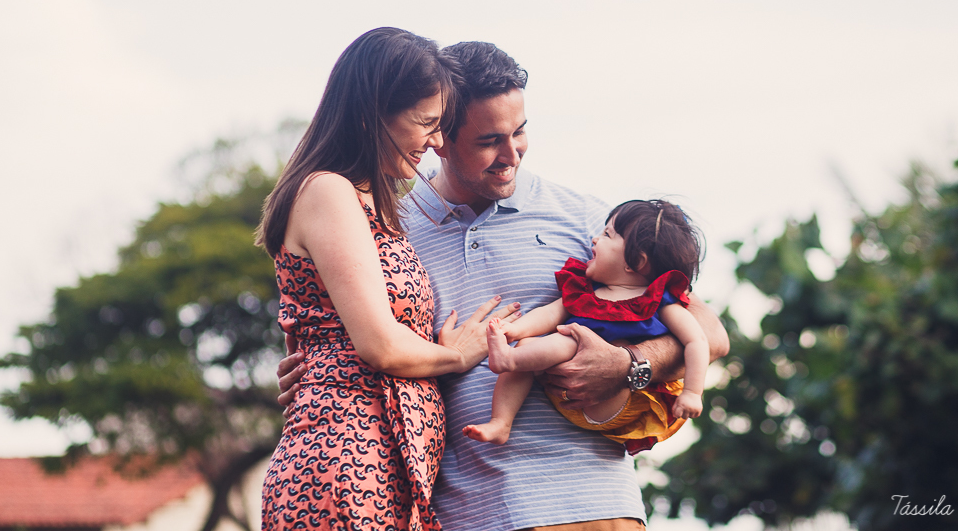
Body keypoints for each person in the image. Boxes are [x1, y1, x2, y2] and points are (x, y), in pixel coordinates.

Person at [278, 41, 730, 531]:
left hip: (590, 507)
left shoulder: (592, 223)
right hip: (459, 515)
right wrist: (324, 362)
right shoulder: (387, 226)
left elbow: (712, 334)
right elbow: (363, 333)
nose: (511, 153)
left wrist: (627, 366)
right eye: (489, 139)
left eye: (520, 131)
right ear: (440, 136)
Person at [256, 28, 517, 531]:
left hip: (385, 462)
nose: (437, 141)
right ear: (370, 114)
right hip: (348, 460)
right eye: (426, 123)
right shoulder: (330, 192)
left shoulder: (373, 204)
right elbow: (379, 345)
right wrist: (457, 355)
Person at [463, 199, 707, 456]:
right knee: (529, 345)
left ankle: (508, 359)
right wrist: (512, 331)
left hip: (613, 399)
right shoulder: (587, 290)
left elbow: (697, 341)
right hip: (564, 391)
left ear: (635, 261)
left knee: (570, 339)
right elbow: (548, 313)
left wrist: (692, 392)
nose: (593, 239)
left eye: (607, 234)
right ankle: (501, 423)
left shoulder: (659, 302)